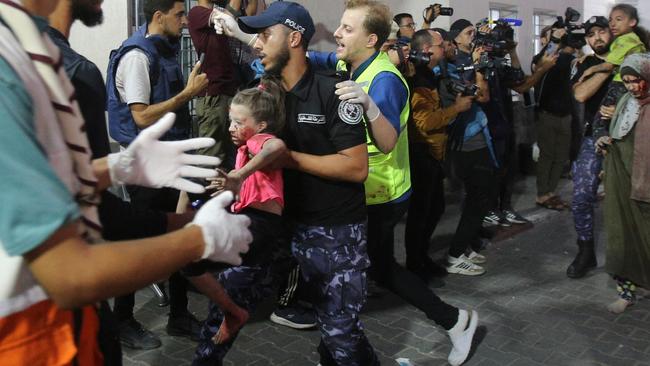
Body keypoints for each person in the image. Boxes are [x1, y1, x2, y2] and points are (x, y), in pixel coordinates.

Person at [0, 1, 251, 363]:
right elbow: (70, 276)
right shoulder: (14, 66)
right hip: (32, 341)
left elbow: (33, 185)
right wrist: (198, 238)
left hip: (63, 331)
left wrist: (113, 167)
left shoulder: (32, 51)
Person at [210, 2, 379, 364]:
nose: (256, 44)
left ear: (295, 39)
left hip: (334, 232)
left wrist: (289, 159)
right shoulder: (264, 94)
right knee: (225, 307)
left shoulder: (333, 92)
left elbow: (355, 168)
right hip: (279, 225)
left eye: (265, 35)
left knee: (339, 333)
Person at [105, 0, 210, 343]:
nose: (184, 21)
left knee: (177, 235)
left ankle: (179, 315)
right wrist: (188, 94)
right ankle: (122, 320)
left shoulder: (161, 51)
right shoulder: (137, 57)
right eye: (179, 15)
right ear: (158, 16)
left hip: (168, 160)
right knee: (140, 243)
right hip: (145, 168)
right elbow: (142, 116)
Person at [404, 28, 474, 282]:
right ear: (426, 50)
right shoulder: (419, 79)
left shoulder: (429, 75)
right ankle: (415, 264)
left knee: (434, 208)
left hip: (431, 152)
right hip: (421, 151)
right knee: (422, 211)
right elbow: (423, 123)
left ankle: (421, 258)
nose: (445, 48)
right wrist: (455, 108)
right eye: (440, 45)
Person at [595, 53, 650, 314]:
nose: (631, 87)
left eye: (636, 80)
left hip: (646, 181)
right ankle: (626, 292)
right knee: (621, 233)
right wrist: (605, 141)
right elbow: (615, 131)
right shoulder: (626, 101)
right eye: (627, 81)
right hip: (621, 177)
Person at [443, 18, 494, 275]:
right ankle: (454, 255)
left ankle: (465, 246)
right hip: (465, 141)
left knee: (481, 196)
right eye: (468, 32)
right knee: (477, 197)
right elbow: (482, 96)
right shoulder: (452, 67)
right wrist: (476, 66)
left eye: (474, 31)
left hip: (479, 137)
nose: (473, 36)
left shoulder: (473, 60)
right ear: (455, 39)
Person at [566, 16, 613, 279]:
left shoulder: (633, 56)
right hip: (592, 139)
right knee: (581, 198)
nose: (597, 38)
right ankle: (586, 252)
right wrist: (607, 67)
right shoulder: (583, 64)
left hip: (628, 140)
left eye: (602, 31)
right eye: (591, 34)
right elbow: (581, 94)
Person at [188, 0, 239, 167]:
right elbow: (228, 20)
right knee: (210, 160)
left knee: (229, 157)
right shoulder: (196, 12)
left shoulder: (217, 13)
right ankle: (199, 193)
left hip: (225, 91)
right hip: (213, 95)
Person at [532, 24, 577, 210]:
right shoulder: (544, 59)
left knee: (560, 157)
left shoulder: (569, 59)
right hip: (547, 114)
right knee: (547, 155)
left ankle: (551, 192)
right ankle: (542, 193)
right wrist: (555, 41)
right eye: (552, 36)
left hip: (566, 115)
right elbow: (540, 63)